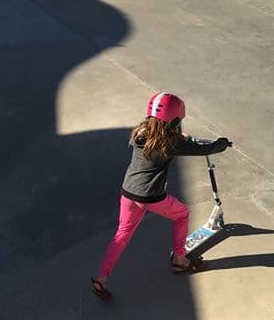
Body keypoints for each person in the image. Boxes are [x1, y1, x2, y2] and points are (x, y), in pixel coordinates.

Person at [92, 92, 231, 300]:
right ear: (174, 120)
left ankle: (101, 279)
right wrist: (221, 143)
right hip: (150, 196)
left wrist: (183, 138)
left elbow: (170, 139)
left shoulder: (141, 132)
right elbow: (202, 149)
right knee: (182, 214)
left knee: (122, 234)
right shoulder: (171, 143)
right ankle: (180, 260)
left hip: (128, 192)